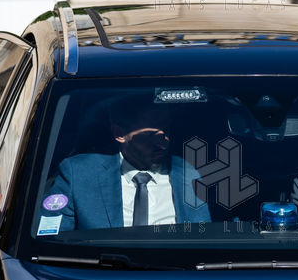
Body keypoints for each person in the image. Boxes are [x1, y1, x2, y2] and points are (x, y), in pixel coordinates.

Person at [38, 95, 208, 231]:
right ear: (120, 134)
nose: (163, 143)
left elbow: (202, 235)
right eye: (150, 135)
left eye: (166, 132)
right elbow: (50, 237)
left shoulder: (187, 173)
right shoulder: (79, 174)